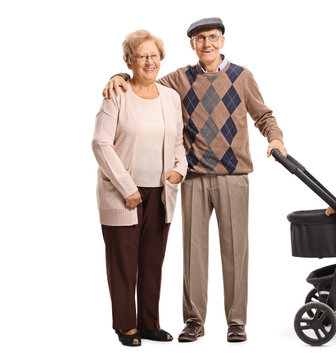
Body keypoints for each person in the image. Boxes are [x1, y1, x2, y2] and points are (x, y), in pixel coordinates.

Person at [102, 17, 287, 342]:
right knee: (193, 252)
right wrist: (117, 76)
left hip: (233, 176)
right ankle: (194, 321)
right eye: (200, 39)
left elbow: (263, 114)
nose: (207, 44)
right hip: (194, 177)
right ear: (192, 44)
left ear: (222, 41)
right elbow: (144, 78)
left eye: (213, 37)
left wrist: (276, 139)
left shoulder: (242, 77)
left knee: (235, 251)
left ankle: (236, 321)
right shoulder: (180, 79)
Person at [92, 30, 188, 346]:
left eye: (154, 55)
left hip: (161, 192)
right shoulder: (116, 94)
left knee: (151, 261)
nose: (149, 62)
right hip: (123, 194)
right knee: (123, 262)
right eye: (142, 56)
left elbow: (178, 142)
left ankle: (149, 323)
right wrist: (126, 186)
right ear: (129, 61)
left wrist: (179, 170)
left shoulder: (171, 97)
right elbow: (101, 143)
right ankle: (125, 325)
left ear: (161, 59)